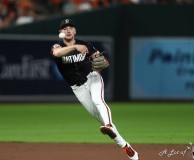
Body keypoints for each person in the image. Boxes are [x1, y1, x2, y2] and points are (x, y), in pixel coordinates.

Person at [51, 19, 139, 160]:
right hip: (78, 89)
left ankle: (109, 125)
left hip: (92, 78)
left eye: (71, 27)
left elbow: (98, 58)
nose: (68, 30)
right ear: (60, 32)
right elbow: (57, 53)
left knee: (98, 100)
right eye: (64, 28)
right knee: (100, 118)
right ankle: (127, 147)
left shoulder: (86, 45)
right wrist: (75, 48)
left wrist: (102, 61)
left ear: (75, 31)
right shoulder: (57, 46)